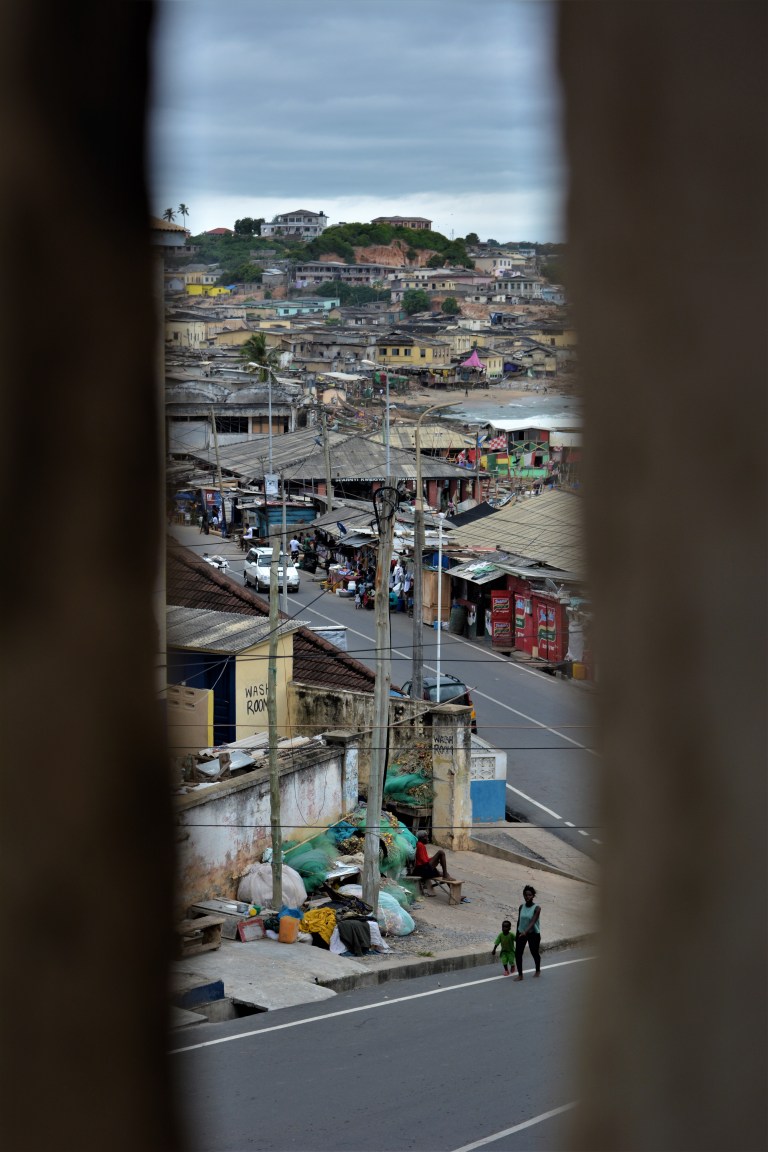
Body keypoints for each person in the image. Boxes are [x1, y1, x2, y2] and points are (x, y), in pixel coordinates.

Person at [514, 885, 541, 979]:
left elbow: (533, 921)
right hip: (521, 933)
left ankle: (538, 970)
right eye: (525, 895)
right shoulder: (521, 907)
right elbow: (519, 921)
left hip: (533, 934)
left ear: (533, 896)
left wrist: (525, 932)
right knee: (518, 953)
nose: (527, 897)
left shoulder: (537, 908)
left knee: (534, 952)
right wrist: (516, 934)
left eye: (529, 895)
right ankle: (520, 975)